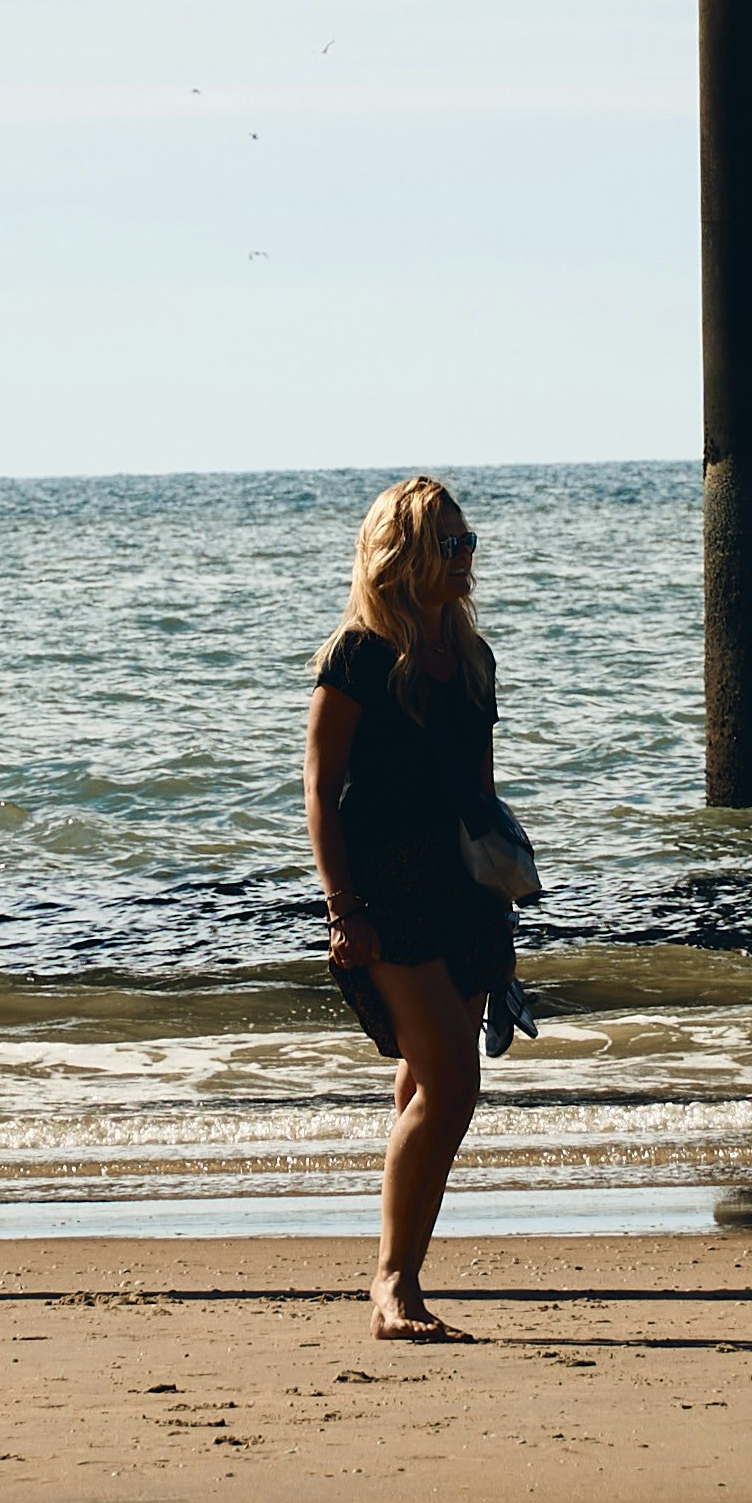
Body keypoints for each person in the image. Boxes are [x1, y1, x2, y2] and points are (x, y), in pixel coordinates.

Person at [302, 474, 513, 1343]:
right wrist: (341, 904)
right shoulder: (355, 653)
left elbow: (481, 788)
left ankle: (402, 1264)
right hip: (385, 891)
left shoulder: (469, 656)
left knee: (430, 1081)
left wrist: (502, 897)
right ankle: (392, 1285)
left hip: (463, 891)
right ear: (408, 555)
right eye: (450, 545)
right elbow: (319, 787)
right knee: (453, 1085)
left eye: (468, 543)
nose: (466, 559)